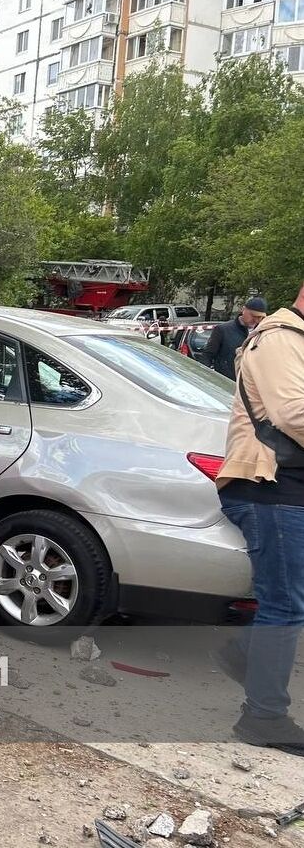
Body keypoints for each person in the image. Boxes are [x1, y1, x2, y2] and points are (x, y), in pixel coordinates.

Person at [213, 284, 304, 756]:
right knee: (284, 604)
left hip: (286, 491)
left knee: (289, 600)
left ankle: (243, 654)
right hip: (269, 489)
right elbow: (293, 414)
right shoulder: (281, 338)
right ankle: (263, 718)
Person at [201, 296, 268, 379]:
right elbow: (207, 356)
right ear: (243, 310)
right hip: (226, 383)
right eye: (253, 315)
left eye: (260, 317)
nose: (256, 320)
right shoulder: (223, 330)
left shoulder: (264, 334)